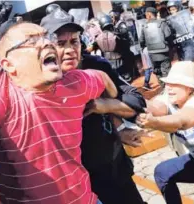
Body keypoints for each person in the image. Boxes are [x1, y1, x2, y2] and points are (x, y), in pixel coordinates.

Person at [0, 21, 119, 204]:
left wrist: (108, 103)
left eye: (46, 37)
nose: (46, 43)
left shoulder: (75, 83)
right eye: (32, 41)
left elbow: (103, 79)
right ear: (9, 65)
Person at [41, 9, 147, 204]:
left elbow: (136, 101)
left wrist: (106, 105)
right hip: (78, 182)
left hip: (114, 167)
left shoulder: (95, 66)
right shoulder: (39, 81)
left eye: (74, 41)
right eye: (60, 43)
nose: (70, 49)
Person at [136, 61, 194, 204]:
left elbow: (182, 121)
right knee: (162, 173)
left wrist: (154, 122)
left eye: (175, 84)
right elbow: (154, 106)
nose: (169, 88)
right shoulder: (170, 98)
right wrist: (134, 102)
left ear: (190, 88)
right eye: (168, 83)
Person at [90, 14, 136, 82]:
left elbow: (90, 49)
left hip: (107, 64)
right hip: (120, 64)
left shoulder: (97, 39)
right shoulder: (117, 36)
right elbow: (126, 49)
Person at [140, 7, 172, 78]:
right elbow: (169, 36)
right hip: (164, 52)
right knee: (166, 72)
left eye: (146, 15)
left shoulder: (144, 26)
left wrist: (144, 48)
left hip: (152, 53)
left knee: (158, 72)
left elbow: (141, 41)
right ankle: (167, 87)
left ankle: (163, 86)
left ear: (149, 15)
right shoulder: (162, 23)